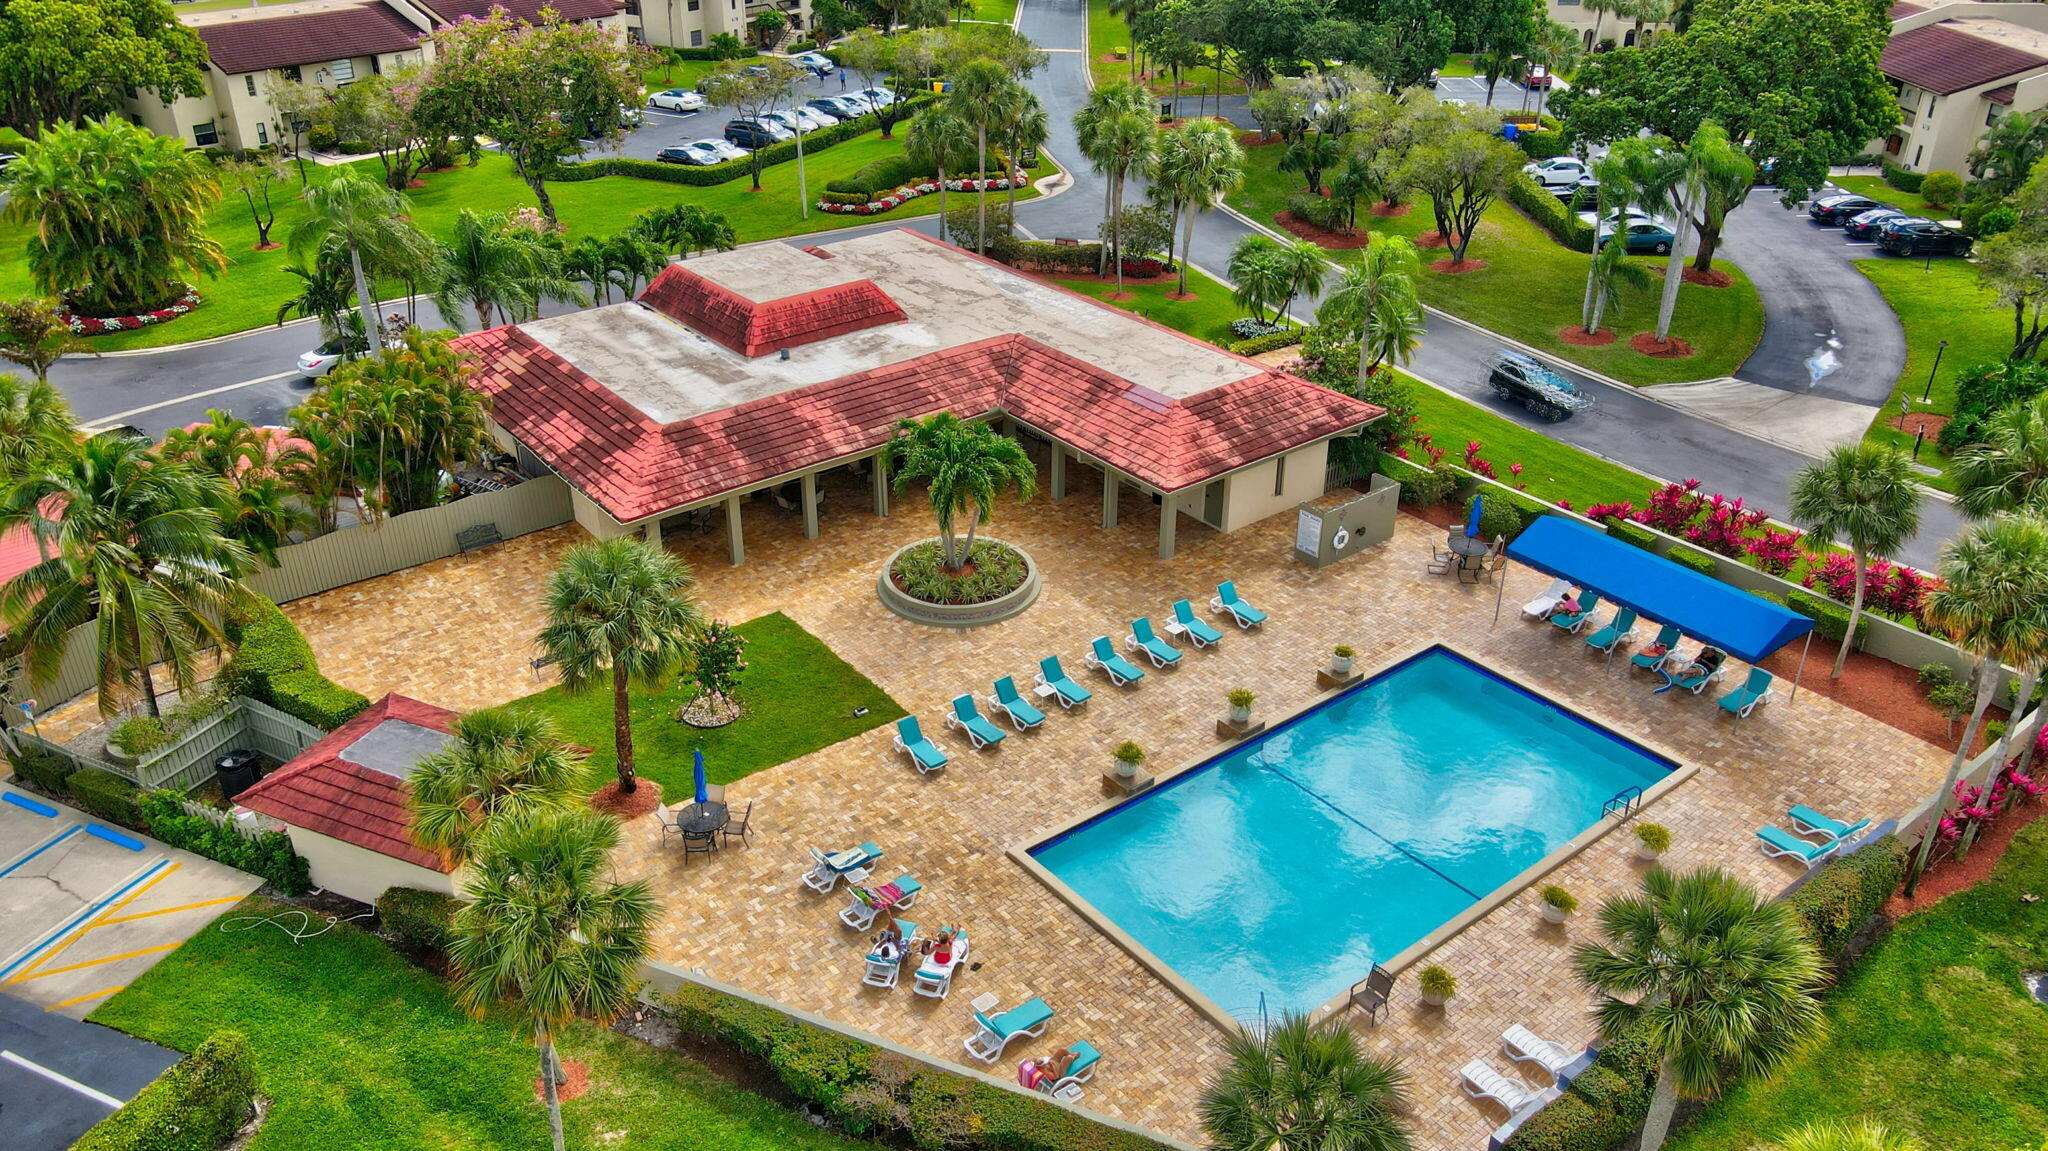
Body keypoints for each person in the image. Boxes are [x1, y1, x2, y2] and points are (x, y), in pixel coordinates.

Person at [1656, 646, 1725, 694]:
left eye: (1710, 652)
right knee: (1692, 671)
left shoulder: (1715, 659)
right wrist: (1699, 658)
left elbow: (1713, 667)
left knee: (1696, 670)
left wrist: (1705, 661)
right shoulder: (1704, 654)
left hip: (1704, 669)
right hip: (1696, 665)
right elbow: (1695, 660)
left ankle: (1682, 672)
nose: (1708, 653)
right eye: (1708, 652)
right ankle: (1683, 678)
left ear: (1713, 653)